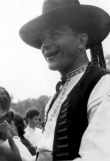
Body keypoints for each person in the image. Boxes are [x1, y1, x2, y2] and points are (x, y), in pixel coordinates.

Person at [19, 0, 110, 160]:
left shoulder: (103, 85)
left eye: (55, 35)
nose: (45, 45)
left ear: (81, 41)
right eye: (42, 39)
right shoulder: (54, 99)